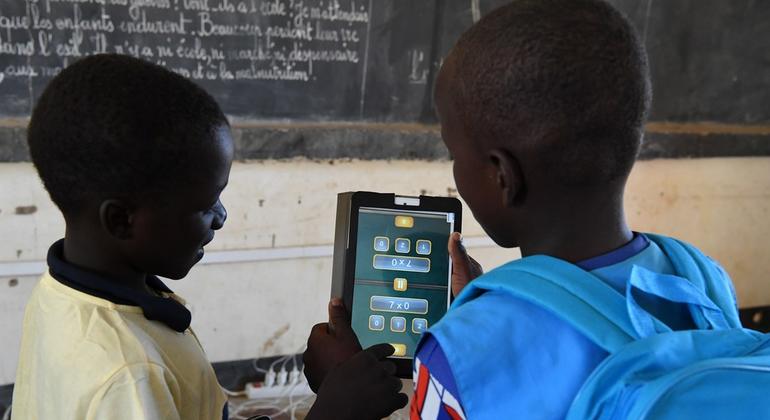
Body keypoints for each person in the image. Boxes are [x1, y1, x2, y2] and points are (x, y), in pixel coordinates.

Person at [303, 0, 740, 419]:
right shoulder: (700, 276)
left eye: (455, 152)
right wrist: (491, 305)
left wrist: (339, 397)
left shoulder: (461, 351)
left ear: (502, 176)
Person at [12, 54, 406, 420]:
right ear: (121, 220)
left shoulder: (64, 294)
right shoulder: (130, 376)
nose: (221, 217)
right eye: (204, 205)